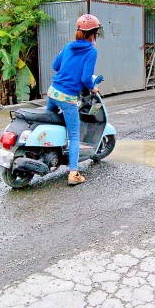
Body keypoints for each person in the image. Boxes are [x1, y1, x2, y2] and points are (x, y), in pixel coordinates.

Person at [46, 14, 102, 186]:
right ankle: (73, 173)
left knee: (51, 122)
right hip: (67, 97)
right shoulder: (91, 51)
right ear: (93, 34)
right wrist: (92, 87)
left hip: (52, 92)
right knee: (75, 135)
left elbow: (55, 66)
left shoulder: (69, 46)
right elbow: (86, 78)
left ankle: (49, 151)